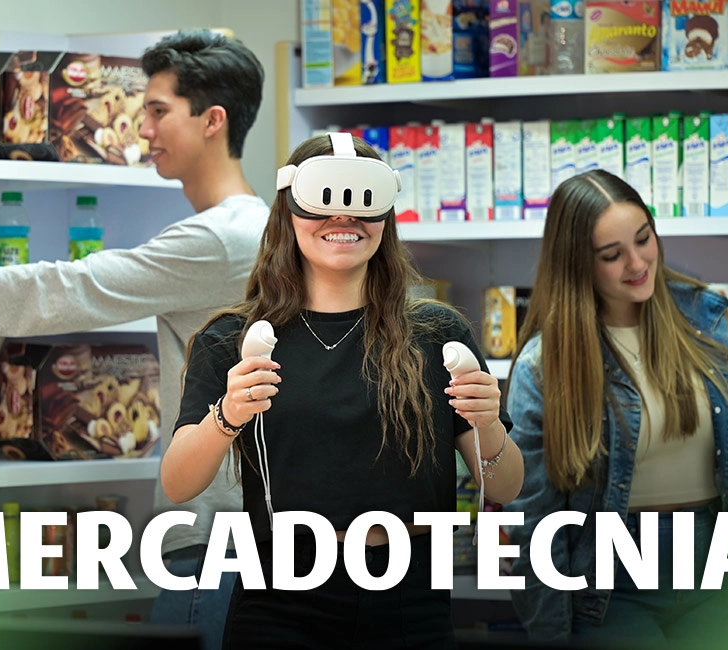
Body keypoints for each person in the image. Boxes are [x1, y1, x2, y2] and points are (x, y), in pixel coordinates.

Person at [0, 29, 268, 650]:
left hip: (213, 540)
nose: (142, 129)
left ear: (213, 121)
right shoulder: (255, 228)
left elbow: (60, 289)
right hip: (234, 531)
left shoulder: (220, 241)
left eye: (158, 111)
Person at [161, 133, 525, 649]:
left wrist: (487, 423)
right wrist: (228, 414)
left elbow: (507, 486)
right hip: (281, 597)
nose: (344, 217)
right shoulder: (233, 339)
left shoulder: (438, 334)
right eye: (323, 200)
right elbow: (178, 484)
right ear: (288, 211)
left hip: (412, 595)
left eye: (363, 203)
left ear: (385, 216)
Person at [502, 169, 728, 650]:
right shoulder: (546, 364)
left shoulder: (713, 321)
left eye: (644, 239)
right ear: (577, 264)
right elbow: (534, 517)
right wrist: (550, 632)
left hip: (715, 563)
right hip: (611, 583)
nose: (637, 263)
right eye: (612, 255)